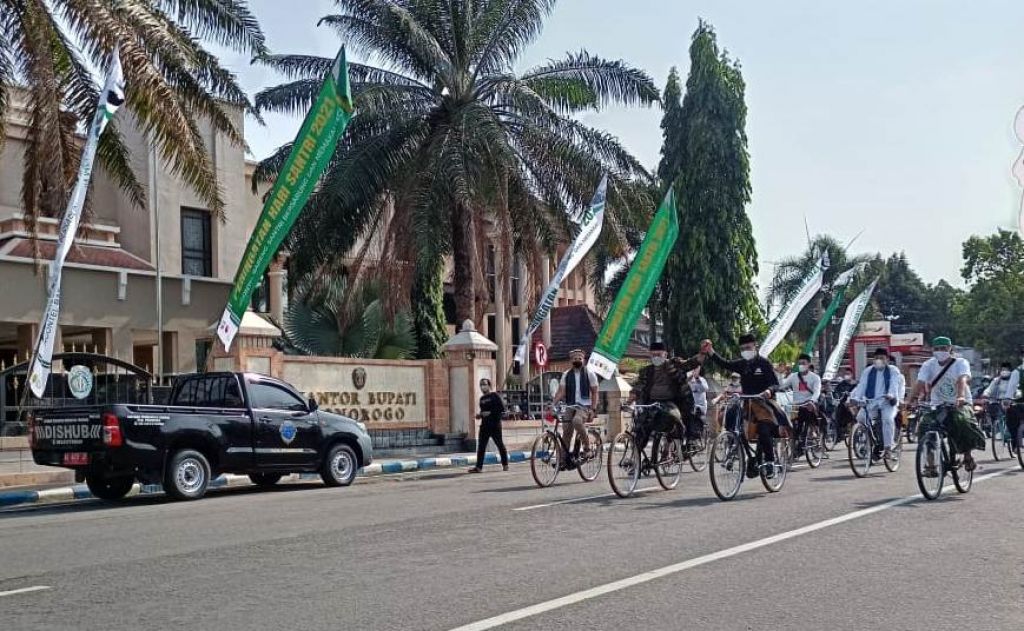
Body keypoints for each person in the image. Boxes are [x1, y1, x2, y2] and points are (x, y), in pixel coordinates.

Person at [705, 333, 788, 477]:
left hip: (764, 402)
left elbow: (775, 384)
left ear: (755, 346)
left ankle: (769, 462)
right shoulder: (742, 364)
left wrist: (769, 391)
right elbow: (725, 363)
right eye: (743, 349)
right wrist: (710, 352)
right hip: (746, 402)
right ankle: (734, 447)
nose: (745, 351)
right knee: (731, 416)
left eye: (748, 347)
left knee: (763, 429)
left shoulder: (764, 363)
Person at [908, 336, 984, 475]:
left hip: (960, 403)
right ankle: (931, 466)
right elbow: (920, 382)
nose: (940, 351)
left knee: (962, 422)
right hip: (938, 404)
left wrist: (960, 396)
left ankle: (967, 455)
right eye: (937, 349)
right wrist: (910, 400)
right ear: (932, 350)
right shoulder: (928, 365)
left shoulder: (960, 362)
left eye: (943, 348)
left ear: (950, 349)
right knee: (924, 427)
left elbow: (962, 379)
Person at [630, 342, 705, 452]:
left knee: (675, 417)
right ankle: (635, 460)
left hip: (673, 402)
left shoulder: (674, 364)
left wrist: (702, 352)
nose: (656, 357)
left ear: (665, 355)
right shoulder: (646, 371)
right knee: (641, 427)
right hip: (652, 403)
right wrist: (631, 398)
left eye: (659, 355)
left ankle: (685, 438)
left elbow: (690, 363)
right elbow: (639, 386)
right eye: (653, 355)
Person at [851, 348, 902, 459]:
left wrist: (891, 394)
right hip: (872, 401)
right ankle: (869, 440)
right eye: (876, 358)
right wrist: (855, 398)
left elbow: (894, 384)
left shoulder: (893, 370)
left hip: (887, 401)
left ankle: (888, 448)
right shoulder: (868, 371)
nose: (878, 360)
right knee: (861, 417)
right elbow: (861, 386)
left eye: (881, 358)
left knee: (887, 419)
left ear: (887, 360)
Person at [551, 349, 599, 465]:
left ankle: (587, 448)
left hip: (584, 406)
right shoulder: (566, 374)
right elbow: (561, 392)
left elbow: (595, 392)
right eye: (574, 358)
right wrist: (553, 404)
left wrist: (593, 409)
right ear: (570, 361)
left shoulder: (589, 373)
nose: (577, 360)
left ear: (584, 360)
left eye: (579, 358)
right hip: (570, 405)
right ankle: (563, 459)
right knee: (566, 430)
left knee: (577, 421)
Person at [779, 354, 822, 455]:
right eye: (799, 363)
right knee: (790, 426)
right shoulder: (793, 376)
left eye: (804, 363)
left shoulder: (815, 378)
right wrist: (780, 374)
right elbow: (782, 386)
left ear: (809, 364)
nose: (801, 365)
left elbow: (817, 392)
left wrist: (812, 401)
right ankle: (794, 446)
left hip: (808, 404)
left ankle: (814, 434)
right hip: (795, 406)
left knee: (809, 419)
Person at [467, 378, 508, 473]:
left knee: (499, 444)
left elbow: (502, 409)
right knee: (481, 446)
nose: (482, 386)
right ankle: (478, 467)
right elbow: (483, 411)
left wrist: (490, 413)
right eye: (481, 384)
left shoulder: (495, 396)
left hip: (495, 425)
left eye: (484, 384)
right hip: (485, 425)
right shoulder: (482, 399)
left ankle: (505, 464)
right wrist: (480, 415)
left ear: (489, 385)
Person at [983, 361, 1020, 439]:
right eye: (1003, 369)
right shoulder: (997, 380)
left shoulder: (1014, 379)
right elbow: (990, 388)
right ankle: (1002, 432)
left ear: (1010, 371)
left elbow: (1017, 389)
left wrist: (1017, 395)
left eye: (1006, 369)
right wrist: (986, 394)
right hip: (999, 401)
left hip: (1011, 401)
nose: (1004, 371)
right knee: (999, 415)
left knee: (1013, 418)